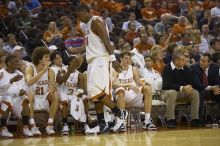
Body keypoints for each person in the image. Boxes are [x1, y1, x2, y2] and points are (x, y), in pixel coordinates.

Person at [76, 4, 125, 133]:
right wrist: (78, 51)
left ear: (86, 11)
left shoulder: (96, 21)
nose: (79, 18)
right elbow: (93, 45)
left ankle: (119, 113)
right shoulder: (87, 26)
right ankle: (102, 124)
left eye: (80, 15)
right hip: (93, 62)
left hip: (100, 60)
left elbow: (106, 40)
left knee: (96, 91)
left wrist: (113, 59)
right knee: (94, 95)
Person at [112, 51, 157, 130]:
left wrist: (144, 84)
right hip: (120, 96)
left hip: (133, 95)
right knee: (120, 90)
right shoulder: (115, 69)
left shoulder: (133, 69)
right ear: (120, 59)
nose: (128, 60)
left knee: (148, 88)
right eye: (126, 58)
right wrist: (128, 85)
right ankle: (121, 122)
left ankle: (147, 120)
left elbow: (139, 83)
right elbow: (114, 85)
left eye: (129, 59)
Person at [161, 47, 200, 128]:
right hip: (166, 93)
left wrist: (189, 87)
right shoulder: (167, 68)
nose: (184, 61)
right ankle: (170, 120)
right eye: (182, 60)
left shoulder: (185, 68)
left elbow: (190, 81)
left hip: (181, 93)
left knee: (195, 93)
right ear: (176, 61)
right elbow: (166, 85)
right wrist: (182, 88)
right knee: (172, 92)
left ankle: (194, 119)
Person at [25, 47, 59, 135]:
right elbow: (29, 82)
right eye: (46, 57)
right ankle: (32, 125)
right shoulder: (30, 68)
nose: (49, 59)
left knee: (55, 95)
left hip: (44, 97)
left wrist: (52, 88)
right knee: (30, 94)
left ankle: (49, 124)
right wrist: (43, 70)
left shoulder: (50, 71)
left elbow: (53, 84)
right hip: (32, 98)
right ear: (40, 59)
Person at [190, 53, 220, 124]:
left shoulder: (215, 67)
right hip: (199, 89)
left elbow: (218, 81)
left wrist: (218, 89)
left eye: (204, 61)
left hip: (213, 91)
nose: (201, 62)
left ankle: (217, 118)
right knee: (201, 92)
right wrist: (211, 88)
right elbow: (196, 84)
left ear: (209, 62)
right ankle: (199, 120)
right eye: (201, 60)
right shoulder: (194, 67)